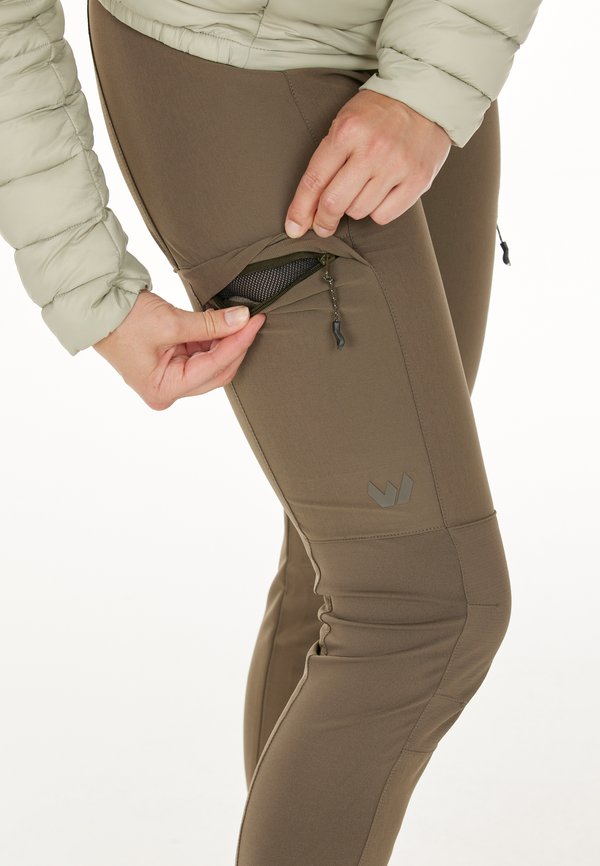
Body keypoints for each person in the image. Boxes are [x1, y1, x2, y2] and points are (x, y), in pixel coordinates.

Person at [0, 1, 544, 863]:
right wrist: (85, 281)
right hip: (226, 58)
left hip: (434, 41)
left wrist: (433, 83)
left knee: (354, 571)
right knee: (420, 605)